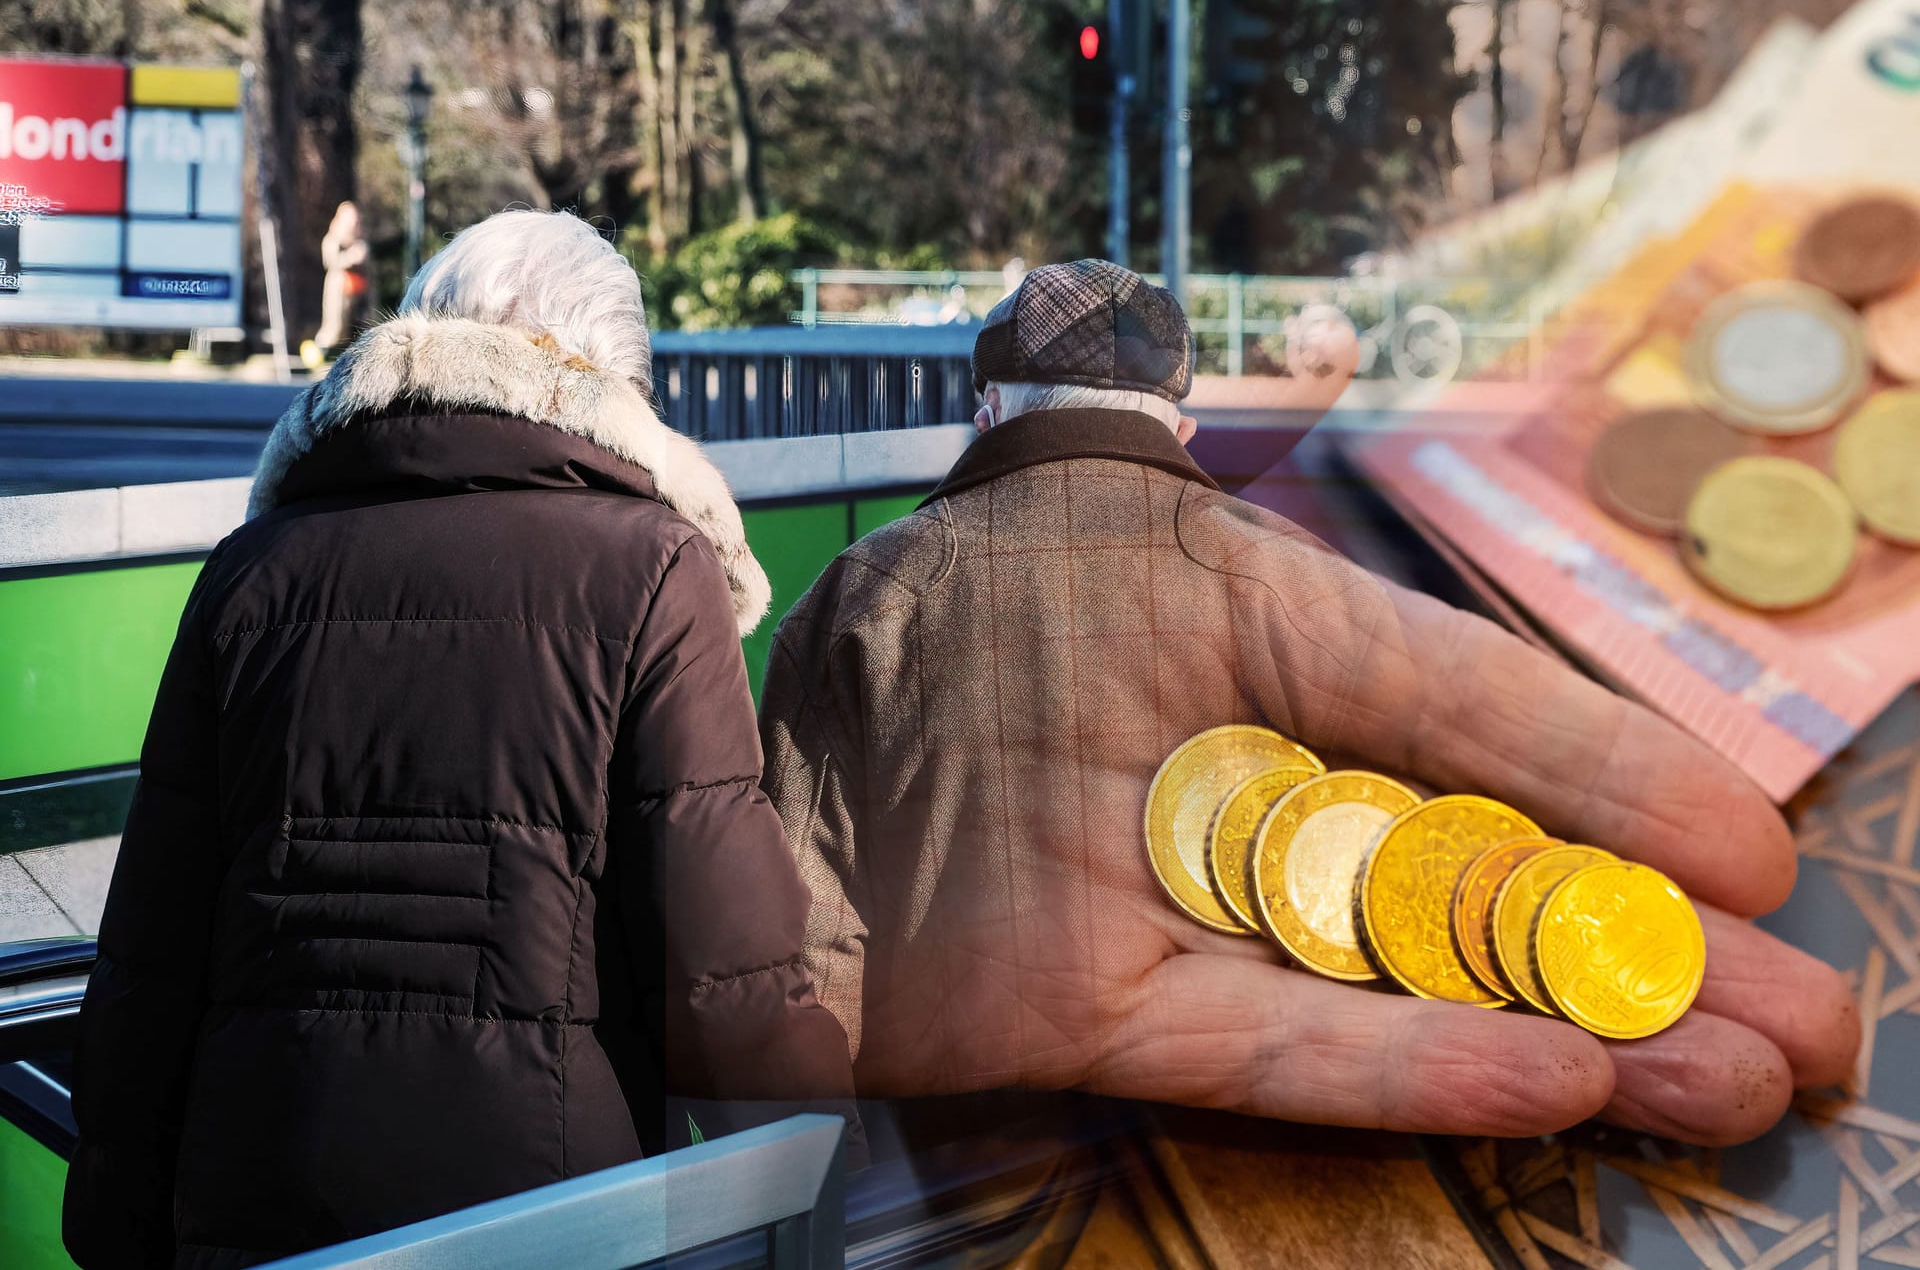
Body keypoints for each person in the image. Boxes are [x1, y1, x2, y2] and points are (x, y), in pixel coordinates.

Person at [759, 258, 1859, 1151]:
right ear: (1177, 424)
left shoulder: (860, 587)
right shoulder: (1267, 562)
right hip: (1205, 1106)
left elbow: (799, 909)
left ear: (989, 406)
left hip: (929, 1121)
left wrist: (824, 1146)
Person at [64, 210, 857, 1269]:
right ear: (608, 382)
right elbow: (722, 960)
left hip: (255, 1188)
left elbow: (154, 947)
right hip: (550, 1208)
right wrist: (828, 1162)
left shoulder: (252, 570)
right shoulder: (654, 568)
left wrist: (116, 1213)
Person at [312, 201, 370, 358]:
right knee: (335, 326)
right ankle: (320, 352)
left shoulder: (361, 240)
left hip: (359, 290)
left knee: (360, 325)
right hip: (339, 289)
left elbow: (368, 266)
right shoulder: (333, 239)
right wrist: (349, 258)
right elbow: (330, 262)